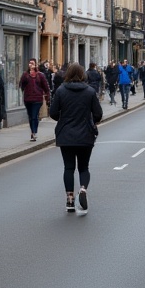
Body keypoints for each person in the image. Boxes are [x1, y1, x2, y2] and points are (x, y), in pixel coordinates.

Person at [49, 63, 103, 214]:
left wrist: (64, 119)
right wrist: (90, 120)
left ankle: (70, 200)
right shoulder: (90, 91)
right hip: (85, 134)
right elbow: (98, 114)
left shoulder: (60, 91)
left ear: (68, 74)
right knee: (84, 167)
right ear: (82, 75)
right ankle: (83, 189)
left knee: (69, 167)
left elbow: (53, 112)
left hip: (66, 134)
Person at [18, 58, 51, 142]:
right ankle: (33, 131)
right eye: (30, 63)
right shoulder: (25, 74)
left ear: (36, 64)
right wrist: (26, 76)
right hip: (28, 99)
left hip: (37, 99)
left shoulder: (40, 75)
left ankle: (34, 132)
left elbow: (46, 87)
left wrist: (47, 97)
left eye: (32, 63)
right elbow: (21, 85)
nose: (31, 65)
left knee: (34, 116)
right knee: (30, 116)